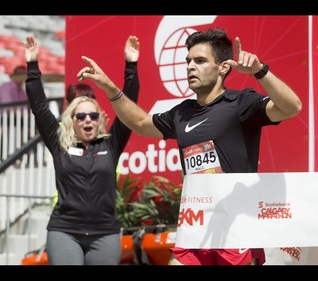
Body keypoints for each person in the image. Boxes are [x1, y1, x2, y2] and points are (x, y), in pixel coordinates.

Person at [77, 27, 302, 266]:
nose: (190, 66)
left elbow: (292, 107)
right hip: (195, 227)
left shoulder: (241, 103)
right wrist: (109, 88)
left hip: (235, 229)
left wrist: (260, 71)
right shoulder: (182, 113)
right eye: (188, 61)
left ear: (223, 67)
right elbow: (140, 123)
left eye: (200, 61)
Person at [24, 34, 140, 265]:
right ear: (72, 120)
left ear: (99, 120)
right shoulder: (60, 143)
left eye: (93, 115)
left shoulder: (111, 143)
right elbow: (39, 107)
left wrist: (132, 66)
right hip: (65, 231)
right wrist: (32, 66)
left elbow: (130, 104)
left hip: (105, 233)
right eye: (81, 116)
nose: (88, 120)